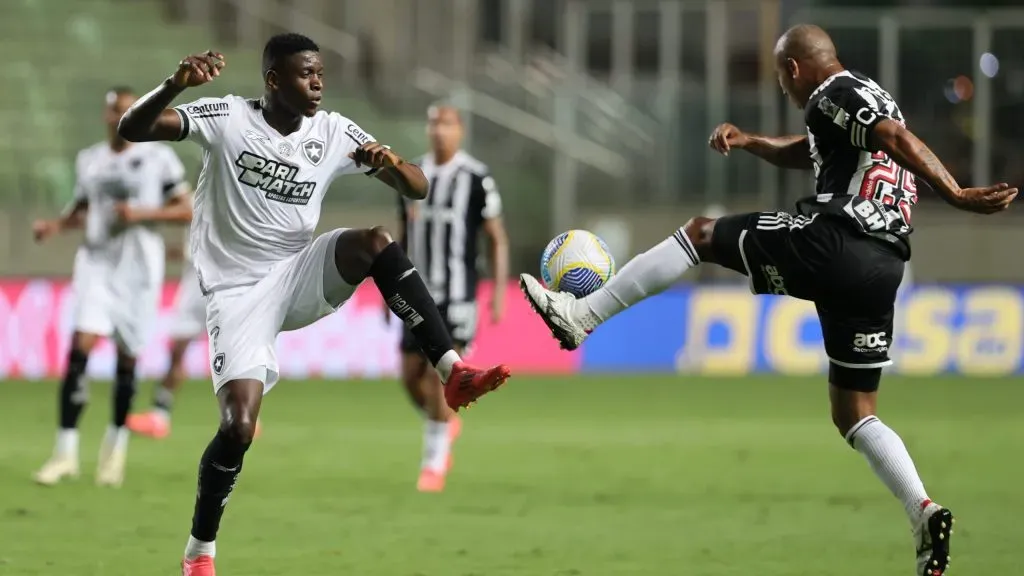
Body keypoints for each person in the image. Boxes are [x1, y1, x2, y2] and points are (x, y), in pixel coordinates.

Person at [520, 24, 1017, 576]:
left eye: (782, 78)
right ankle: (922, 510)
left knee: (700, 234)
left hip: (838, 239)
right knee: (854, 411)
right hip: (882, 267)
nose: (784, 89)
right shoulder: (862, 94)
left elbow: (897, 137)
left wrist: (958, 194)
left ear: (796, 69)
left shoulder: (835, 93)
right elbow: (816, 152)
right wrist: (753, 141)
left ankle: (581, 314)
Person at [116, 33, 511, 575]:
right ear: (274, 79)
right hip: (235, 294)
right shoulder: (227, 117)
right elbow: (131, 128)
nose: (318, 82)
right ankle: (199, 553)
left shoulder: (333, 131)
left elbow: (417, 187)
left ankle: (453, 370)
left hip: (297, 274)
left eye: (321, 72)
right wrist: (174, 86)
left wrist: (391, 163)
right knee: (238, 428)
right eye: (306, 74)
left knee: (374, 242)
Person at [32, 87, 193, 487]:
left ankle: (114, 449)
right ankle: (65, 452)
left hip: (139, 272)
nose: (121, 118)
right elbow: (83, 209)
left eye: (129, 112)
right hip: (96, 265)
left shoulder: (159, 157)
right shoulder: (90, 160)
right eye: (116, 112)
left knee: (126, 361)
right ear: (106, 117)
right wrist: (56, 226)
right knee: (79, 348)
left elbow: (188, 208)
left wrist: (141, 213)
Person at [396, 104, 508, 492]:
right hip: (415, 292)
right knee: (410, 378)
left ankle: (433, 463)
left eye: (446, 124)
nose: (438, 131)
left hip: (457, 295)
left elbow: (495, 236)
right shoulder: (410, 175)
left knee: (438, 375)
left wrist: (495, 292)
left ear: (459, 130)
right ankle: (444, 424)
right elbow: (402, 236)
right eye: (433, 124)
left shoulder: (476, 178)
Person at [126, 220, 264, 439]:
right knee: (176, 351)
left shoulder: (232, 197)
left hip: (225, 287)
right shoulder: (198, 198)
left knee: (231, 354)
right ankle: (159, 416)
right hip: (194, 290)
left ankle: (244, 414)